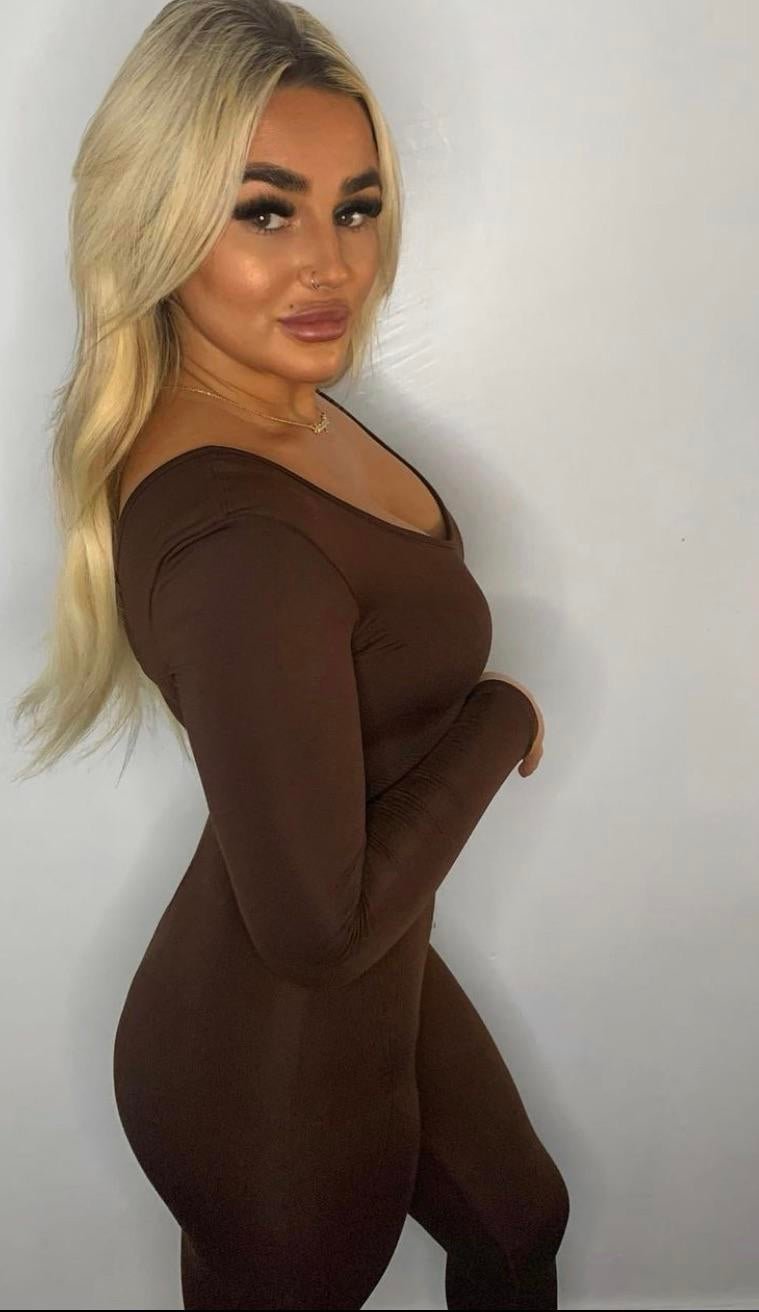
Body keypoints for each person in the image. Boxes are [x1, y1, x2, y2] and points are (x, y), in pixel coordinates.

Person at [13, 2, 565, 1306]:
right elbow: (319, 931)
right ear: (156, 221)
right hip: (265, 1081)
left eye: (356, 207)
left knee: (519, 1223)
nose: (332, 264)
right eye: (265, 211)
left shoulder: (281, 406)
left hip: (364, 977)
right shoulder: (238, 550)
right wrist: (499, 718)